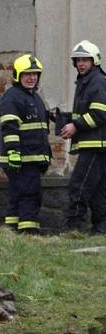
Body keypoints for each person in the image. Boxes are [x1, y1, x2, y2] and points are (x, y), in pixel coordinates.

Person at [0, 54, 51, 234]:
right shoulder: (12, 97)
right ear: (17, 76)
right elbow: (10, 127)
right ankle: (29, 234)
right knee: (30, 195)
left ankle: (11, 232)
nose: (32, 78)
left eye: (35, 74)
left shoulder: (33, 97)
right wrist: (13, 152)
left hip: (30, 157)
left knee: (17, 195)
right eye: (27, 74)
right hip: (22, 158)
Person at [59, 40, 106, 232]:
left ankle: (74, 228)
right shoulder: (87, 81)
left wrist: (75, 126)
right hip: (97, 144)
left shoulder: (96, 81)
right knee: (98, 190)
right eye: (78, 60)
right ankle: (101, 228)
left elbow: (100, 113)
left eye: (85, 59)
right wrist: (65, 119)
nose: (81, 63)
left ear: (94, 61)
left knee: (79, 185)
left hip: (95, 145)